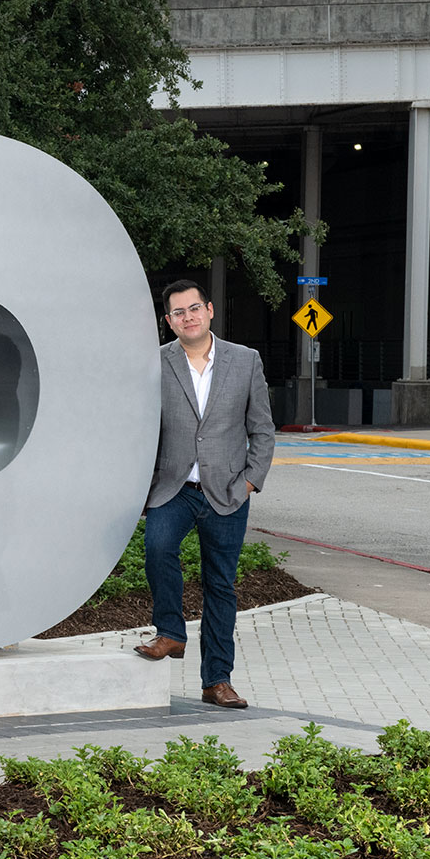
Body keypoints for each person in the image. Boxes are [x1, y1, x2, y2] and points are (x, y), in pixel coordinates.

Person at [135, 279, 275, 709]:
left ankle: (217, 681)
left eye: (194, 308)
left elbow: (263, 429)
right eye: (178, 313)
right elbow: (139, 428)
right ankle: (171, 632)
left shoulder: (245, 360)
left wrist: (250, 482)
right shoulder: (154, 363)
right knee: (157, 548)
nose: (188, 317)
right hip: (173, 488)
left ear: (210, 310)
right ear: (168, 321)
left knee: (220, 585)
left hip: (227, 492)